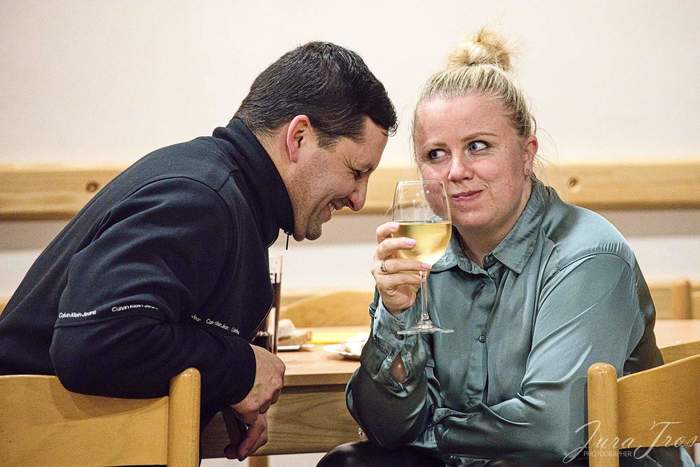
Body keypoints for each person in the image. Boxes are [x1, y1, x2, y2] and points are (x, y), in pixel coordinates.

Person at [0, 41, 396, 461]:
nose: (359, 199)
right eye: (356, 171)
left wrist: (220, 388)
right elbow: (93, 344)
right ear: (298, 138)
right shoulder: (202, 199)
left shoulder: (216, 184)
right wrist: (239, 369)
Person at [318, 31, 693, 466]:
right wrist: (395, 316)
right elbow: (386, 430)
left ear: (527, 152)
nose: (456, 171)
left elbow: (552, 431)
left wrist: (429, 433)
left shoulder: (588, 255)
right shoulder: (418, 254)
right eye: (436, 154)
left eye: (478, 147)